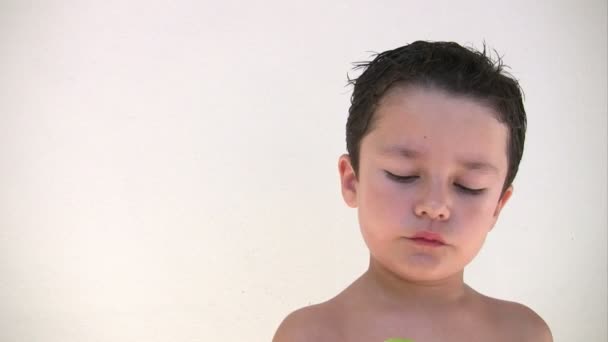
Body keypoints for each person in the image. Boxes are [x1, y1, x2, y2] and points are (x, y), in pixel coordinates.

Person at [272, 41, 553, 342]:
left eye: (469, 186)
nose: (434, 206)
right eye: (402, 175)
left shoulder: (522, 333)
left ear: (498, 205)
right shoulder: (309, 335)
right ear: (352, 180)